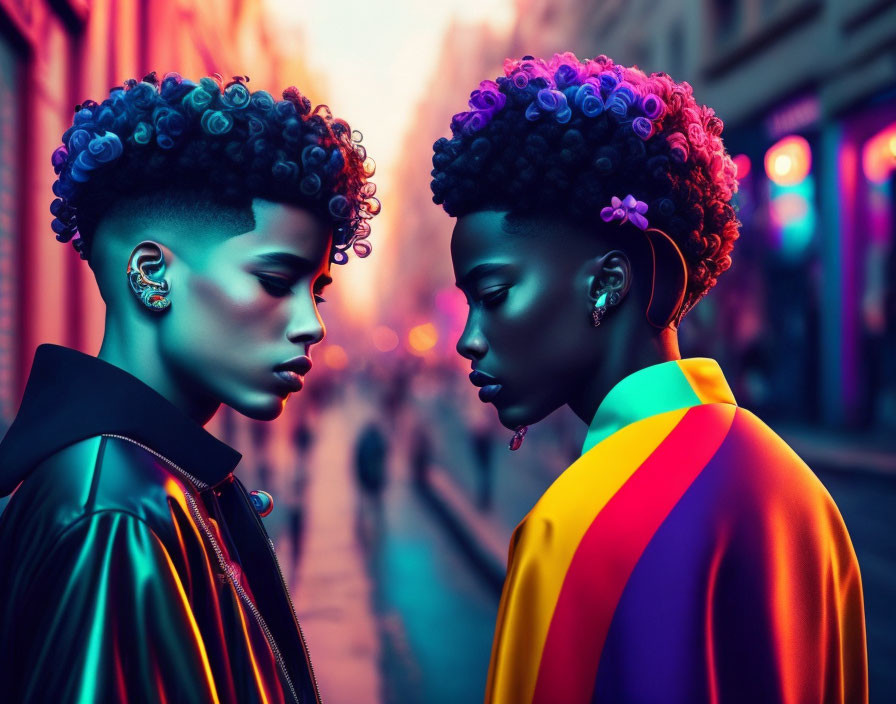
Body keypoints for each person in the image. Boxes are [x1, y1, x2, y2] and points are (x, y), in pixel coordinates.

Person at [432, 53, 867, 704]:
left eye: (492, 294)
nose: (467, 339)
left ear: (608, 282)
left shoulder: (568, 530)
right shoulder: (804, 498)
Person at [0, 70, 378, 703]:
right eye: (275, 280)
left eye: (315, 291)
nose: (312, 326)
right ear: (153, 277)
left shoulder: (144, 482)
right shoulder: (115, 512)